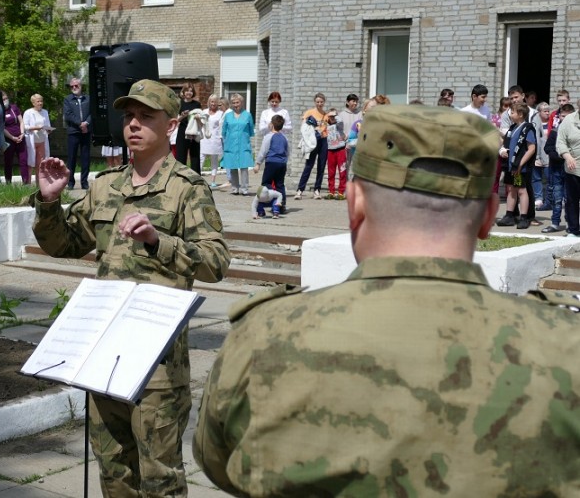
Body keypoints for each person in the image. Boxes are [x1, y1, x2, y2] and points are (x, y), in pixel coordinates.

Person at [194, 104, 580, 496]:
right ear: (488, 217)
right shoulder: (565, 349)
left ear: (355, 204)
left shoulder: (263, 338)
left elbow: (217, 463)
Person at [31, 79, 230, 498]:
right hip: (104, 354)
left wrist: (158, 241)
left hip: (157, 364)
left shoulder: (187, 189)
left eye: (146, 116)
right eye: (128, 116)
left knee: (160, 478)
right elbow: (64, 244)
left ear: (171, 125)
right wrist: (49, 202)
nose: (133, 125)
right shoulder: (106, 186)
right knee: (114, 472)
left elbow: (215, 262)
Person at [496, 102, 536, 229]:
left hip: (520, 167)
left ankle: (524, 217)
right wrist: (503, 151)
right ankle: (509, 215)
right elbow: (506, 143)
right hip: (511, 166)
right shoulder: (512, 128)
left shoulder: (527, 128)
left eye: (512, 112)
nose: (510, 114)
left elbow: (531, 149)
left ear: (520, 114)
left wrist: (520, 164)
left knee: (522, 191)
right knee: (511, 190)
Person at [543, 102, 574, 233]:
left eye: (568, 116)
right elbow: (548, 148)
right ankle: (555, 223)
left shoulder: (575, 132)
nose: (564, 118)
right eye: (562, 116)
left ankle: (570, 224)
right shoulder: (555, 132)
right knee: (557, 198)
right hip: (556, 170)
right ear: (559, 117)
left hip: (571, 171)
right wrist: (559, 155)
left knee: (569, 199)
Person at [295, 92, 329, 200]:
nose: (319, 104)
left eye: (321, 102)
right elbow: (304, 125)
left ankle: (317, 190)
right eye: (318, 102)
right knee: (309, 165)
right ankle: (300, 190)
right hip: (312, 141)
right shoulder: (310, 112)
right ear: (315, 102)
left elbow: (325, 127)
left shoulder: (326, 115)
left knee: (321, 166)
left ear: (324, 102)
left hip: (323, 140)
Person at [253, 113, 288, 213]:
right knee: (280, 184)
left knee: (266, 183)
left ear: (271, 125)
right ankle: (281, 204)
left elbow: (263, 151)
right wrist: (284, 161)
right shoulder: (284, 138)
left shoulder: (268, 136)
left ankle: (270, 201)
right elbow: (287, 151)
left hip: (271, 162)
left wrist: (258, 163)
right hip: (282, 163)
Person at [221, 93, 255, 196]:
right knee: (233, 167)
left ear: (242, 103)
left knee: (244, 167)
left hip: (243, 143)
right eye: (233, 103)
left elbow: (251, 130)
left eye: (237, 102)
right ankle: (235, 188)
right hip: (231, 143)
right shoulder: (228, 116)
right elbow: (224, 131)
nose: (236, 105)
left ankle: (244, 188)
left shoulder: (247, 115)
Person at [556, 101, 580, 238]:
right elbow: (560, 141)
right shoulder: (569, 120)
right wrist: (567, 156)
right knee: (572, 200)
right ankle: (573, 229)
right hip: (573, 168)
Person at [63, 77, 92, 190]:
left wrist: (86, 123)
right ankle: (70, 182)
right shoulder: (67, 99)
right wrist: (80, 124)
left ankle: (84, 182)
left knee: (85, 158)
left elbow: (92, 112)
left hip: (86, 132)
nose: (74, 88)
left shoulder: (88, 98)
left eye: (76, 85)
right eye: (72, 86)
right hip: (73, 132)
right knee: (71, 158)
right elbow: (68, 114)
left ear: (81, 86)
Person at [2, 92, 30, 184]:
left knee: (23, 160)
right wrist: (12, 137)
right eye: (3, 99)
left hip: (20, 138)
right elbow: (2, 128)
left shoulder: (14, 107)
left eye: (6, 98)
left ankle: (25, 183)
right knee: (8, 161)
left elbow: (21, 121)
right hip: (8, 139)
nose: (5, 101)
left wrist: (22, 133)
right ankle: (8, 182)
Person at [23, 92, 52, 180]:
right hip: (31, 140)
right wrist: (35, 128)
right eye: (38, 101)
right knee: (30, 163)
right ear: (33, 103)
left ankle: (39, 184)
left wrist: (49, 129)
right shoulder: (28, 112)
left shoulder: (45, 112)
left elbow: (47, 125)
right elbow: (25, 126)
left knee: (40, 164)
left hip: (42, 141)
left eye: (41, 101)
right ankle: (28, 183)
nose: (40, 103)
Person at [174, 82, 202, 173]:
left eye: (191, 91)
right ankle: (181, 176)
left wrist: (198, 117)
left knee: (195, 157)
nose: (189, 93)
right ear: (183, 92)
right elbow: (176, 120)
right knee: (180, 156)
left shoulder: (197, 104)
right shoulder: (179, 104)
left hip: (194, 131)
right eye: (187, 91)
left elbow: (202, 119)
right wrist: (182, 116)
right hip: (183, 131)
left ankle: (196, 177)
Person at [199, 94, 224, 188]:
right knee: (201, 158)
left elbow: (221, 127)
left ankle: (213, 181)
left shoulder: (220, 113)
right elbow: (200, 124)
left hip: (215, 139)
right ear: (209, 102)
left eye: (215, 102)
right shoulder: (204, 112)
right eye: (211, 101)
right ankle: (198, 178)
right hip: (204, 138)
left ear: (218, 103)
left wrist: (221, 138)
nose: (213, 103)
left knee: (214, 160)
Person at [325, 107, 348, 199]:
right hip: (330, 150)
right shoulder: (327, 125)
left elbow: (339, 120)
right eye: (330, 116)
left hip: (340, 150)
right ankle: (331, 191)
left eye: (333, 116)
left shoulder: (339, 124)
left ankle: (341, 192)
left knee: (342, 171)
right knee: (331, 172)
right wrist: (327, 117)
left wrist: (335, 115)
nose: (332, 118)